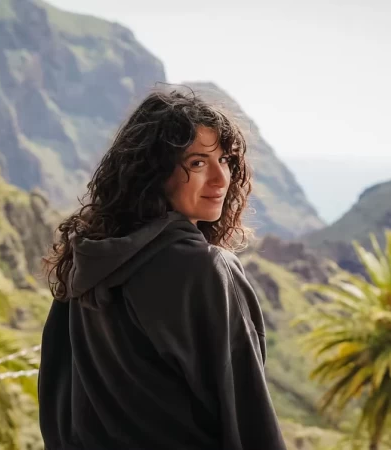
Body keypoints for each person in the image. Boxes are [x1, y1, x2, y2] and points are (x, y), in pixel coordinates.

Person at [39, 88, 287, 450]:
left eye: (226, 160)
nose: (222, 179)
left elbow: (59, 398)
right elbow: (248, 414)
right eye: (198, 163)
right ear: (154, 173)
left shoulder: (87, 261)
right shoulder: (206, 270)